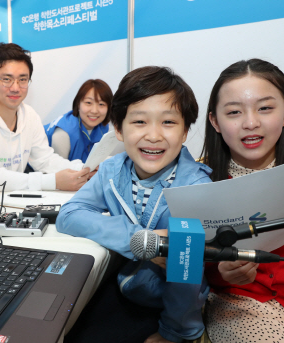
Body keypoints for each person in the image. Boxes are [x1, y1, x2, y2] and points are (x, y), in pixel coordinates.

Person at [56, 66, 212, 343]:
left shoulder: (195, 189)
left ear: (186, 131)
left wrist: (174, 333)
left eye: (168, 122)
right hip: (125, 285)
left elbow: (186, 276)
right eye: (139, 122)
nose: (153, 135)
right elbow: (69, 215)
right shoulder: (112, 170)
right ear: (118, 128)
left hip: (170, 307)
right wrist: (142, 241)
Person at [200, 59, 284, 343]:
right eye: (235, 112)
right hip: (239, 308)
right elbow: (189, 269)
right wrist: (222, 273)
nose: (251, 123)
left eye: (265, 108)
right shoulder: (199, 182)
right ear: (215, 121)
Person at [0, 43, 90, 201]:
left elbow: (45, 159)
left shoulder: (30, 116)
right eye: (7, 79)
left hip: (10, 205)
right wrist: (53, 181)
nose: (15, 88)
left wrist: (83, 169)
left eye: (23, 80)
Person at [44, 79, 113, 162]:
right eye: (88, 103)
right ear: (78, 104)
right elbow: (57, 170)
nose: (94, 111)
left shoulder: (104, 128)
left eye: (101, 104)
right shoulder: (63, 133)